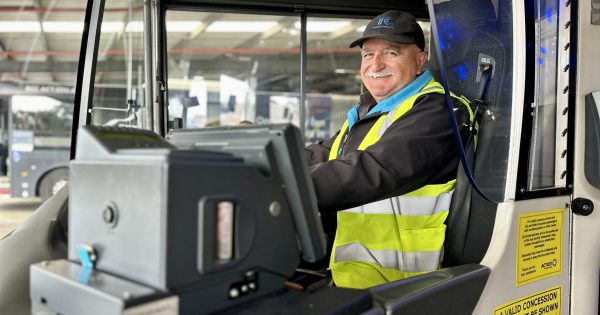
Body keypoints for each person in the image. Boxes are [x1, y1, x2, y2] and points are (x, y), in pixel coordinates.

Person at [306, 10, 472, 289]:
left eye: (391, 53)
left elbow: (374, 169)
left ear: (420, 61)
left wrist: (286, 188)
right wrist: (262, 162)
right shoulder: (372, 112)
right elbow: (327, 152)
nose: (375, 64)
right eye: (367, 54)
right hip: (353, 276)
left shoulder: (438, 111)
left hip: (403, 286)